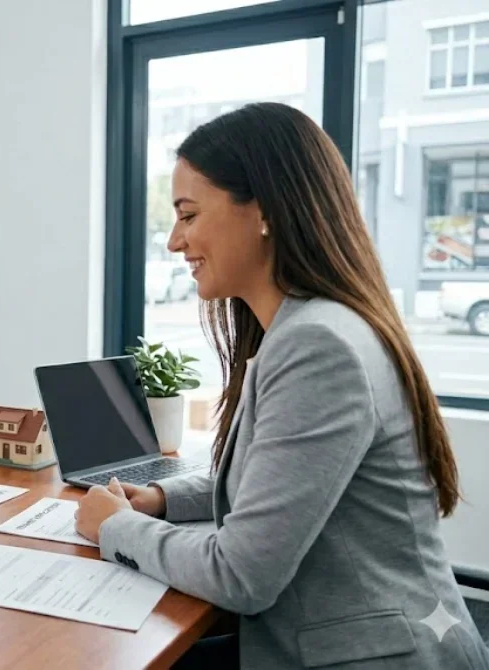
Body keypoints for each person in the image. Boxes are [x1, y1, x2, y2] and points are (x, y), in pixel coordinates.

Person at [75, 103, 489, 669]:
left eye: (189, 215)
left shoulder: (319, 346)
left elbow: (241, 574)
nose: (174, 241)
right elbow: (275, 482)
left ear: (265, 210)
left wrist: (116, 528)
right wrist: (164, 499)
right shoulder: (309, 326)